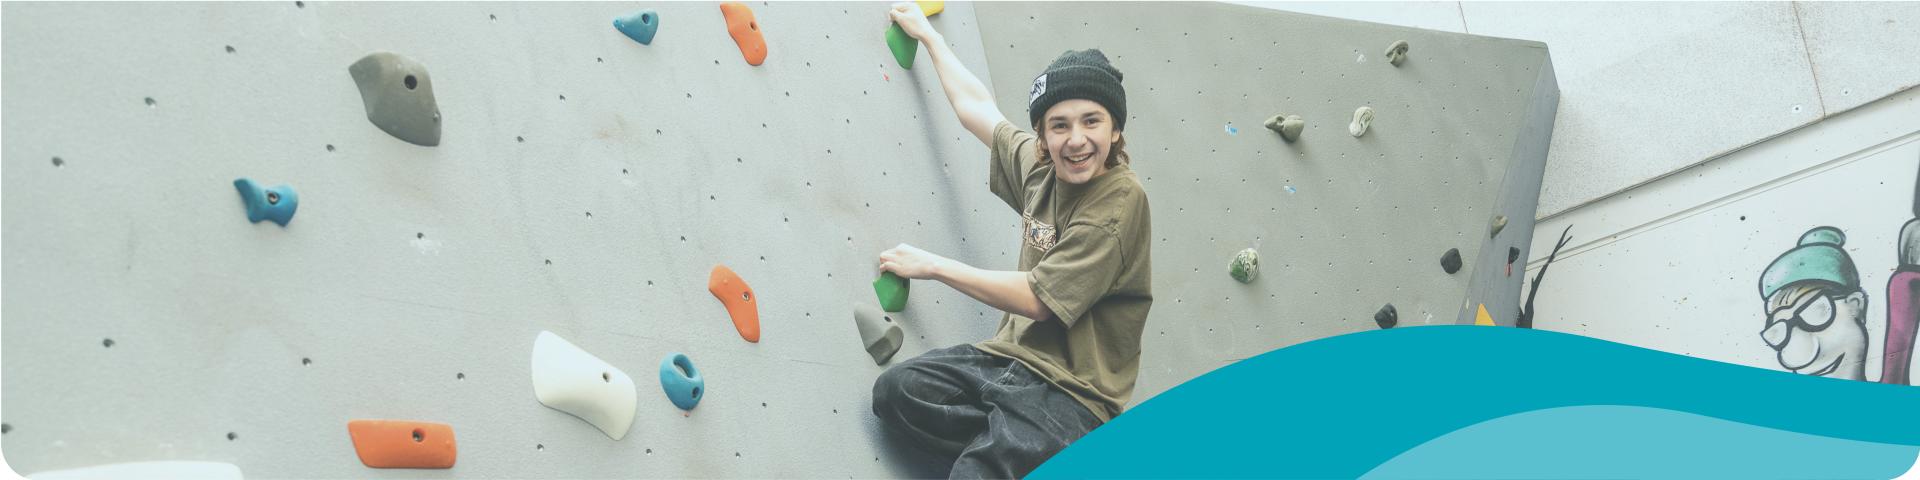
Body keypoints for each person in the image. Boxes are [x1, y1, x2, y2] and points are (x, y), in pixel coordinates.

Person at [870, 3, 1154, 478]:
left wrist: (935, 266)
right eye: (1059, 125)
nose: (1076, 139)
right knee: (899, 392)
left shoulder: (1120, 201)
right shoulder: (1042, 170)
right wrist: (930, 38)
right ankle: (1014, 458)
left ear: (1115, 128)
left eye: (1092, 121)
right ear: (1042, 134)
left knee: (975, 473)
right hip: (1007, 363)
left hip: (1072, 397)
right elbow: (977, 110)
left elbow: (1038, 299)